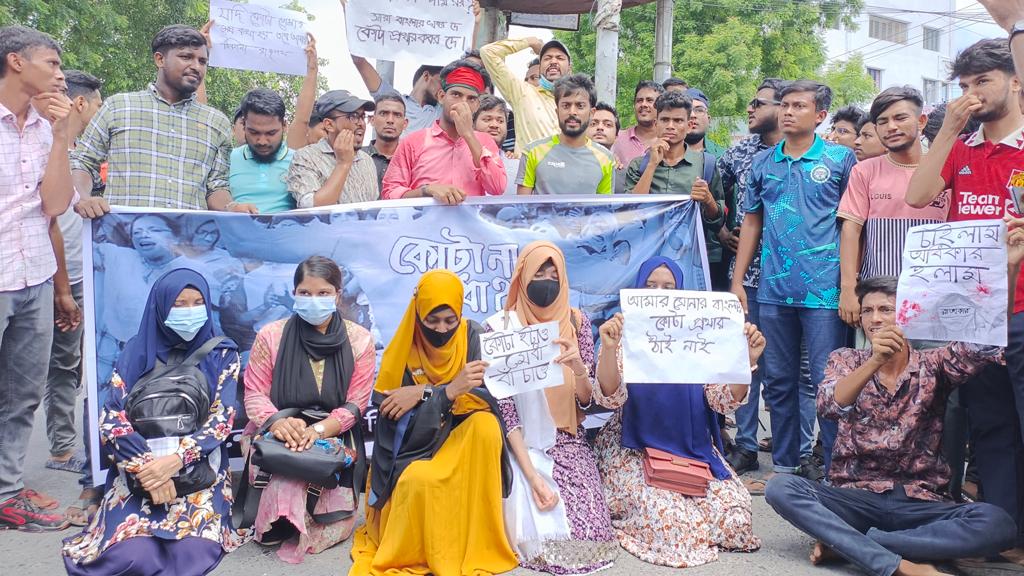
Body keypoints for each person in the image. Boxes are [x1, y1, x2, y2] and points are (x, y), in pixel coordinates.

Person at [765, 270, 1023, 576]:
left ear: (906, 315)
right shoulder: (845, 359)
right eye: (867, 311)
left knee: (998, 523)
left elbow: (987, 341)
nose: (875, 319)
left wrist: (1008, 269)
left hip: (920, 502)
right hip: (856, 497)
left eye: (886, 310)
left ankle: (860, 545)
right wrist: (875, 360)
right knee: (781, 487)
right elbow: (829, 405)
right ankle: (899, 563)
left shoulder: (933, 363)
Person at [906, 38, 1024, 553]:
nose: (973, 93)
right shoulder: (960, 145)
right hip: (972, 318)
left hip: (1022, 310)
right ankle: (1004, 529)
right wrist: (950, 128)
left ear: (1016, 80)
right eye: (965, 85)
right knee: (992, 425)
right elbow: (917, 195)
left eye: (984, 81)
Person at [62, 269, 249, 574]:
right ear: (161, 308)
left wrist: (174, 462)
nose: (190, 312)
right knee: (132, 556)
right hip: (140, 472)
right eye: (180, 304)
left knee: (193, 552)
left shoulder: (221, 353)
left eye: (197, 302)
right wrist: (149, 470)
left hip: (197, 472)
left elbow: (221, 421)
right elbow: (112, 418)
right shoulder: (135, 352)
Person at [591, 257, 764, 567]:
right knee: (676, 529)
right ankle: (683, 519)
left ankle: (694, 516)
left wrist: (745, 361)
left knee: (736, 524)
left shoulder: (700, 336)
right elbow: (609, 398)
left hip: (692, 449)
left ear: (681, 292)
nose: (659, 294)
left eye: (668, 287)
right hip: (637, 450)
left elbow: (723, 400)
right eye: (651, 286)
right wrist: (608, 349)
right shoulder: (625, 333)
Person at [349, 270, 518, 576]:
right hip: (415, 449)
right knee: (418, 481)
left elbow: (490, 400)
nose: (441, 329)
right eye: (432, 321)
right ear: (419, 315)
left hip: (462, 442)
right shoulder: (404, 351)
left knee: (486, 426)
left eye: (449, 321)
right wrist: (447, 392)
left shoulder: (473, 336)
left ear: (460, 315)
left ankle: (476, 540)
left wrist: (428, 393)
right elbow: (394, 422)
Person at [731, 80, 857, 478]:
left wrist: (850, 286)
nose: (787, 112)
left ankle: (835, 468)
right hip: (772, 290)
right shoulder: (763, 162)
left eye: (799, 106)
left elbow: (854, 225)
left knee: (829, 383)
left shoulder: (840, 160)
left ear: (820, 116)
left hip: (825, 292)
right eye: (784, 105)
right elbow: (752, 221)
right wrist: (737, 282)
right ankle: (785, 467)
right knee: (780, 382)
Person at [484, 241, 618, 574]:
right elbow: (506, 412)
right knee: (535, 531)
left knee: (592, 537)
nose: (546, 279)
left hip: (568, 440)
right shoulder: (500, 330)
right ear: (522, 276)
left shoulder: (576, 322)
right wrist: (532, 476)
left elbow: (585, 403)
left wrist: (577, 369)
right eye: (538, 272)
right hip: (518, 445)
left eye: (553, 272)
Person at [241, 256, 375, 563]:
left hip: (331, 432)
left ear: (338, 295)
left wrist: (316, 431)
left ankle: (299, 516)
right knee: (286, 481)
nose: (314, 300)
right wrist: (277, 423)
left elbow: (355, 404)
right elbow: (254, 395)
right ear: (293, 293)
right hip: (279, 430)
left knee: (316, 487)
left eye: (323, 293)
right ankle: (282, 516)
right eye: (305, 293)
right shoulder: (271, 336)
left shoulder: (359, 340)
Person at [0, 24, 75, 531]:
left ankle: (6, 491)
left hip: (35, 277)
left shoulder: (48, 126)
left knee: (23, 393)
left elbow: (52, 206)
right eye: (51, 62)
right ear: (16, 62)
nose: (59, 73)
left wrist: (64, 135)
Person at [72, 25, 253, 217]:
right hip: (125, 240)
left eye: (202, 61)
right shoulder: (118, 107)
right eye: (186, 57)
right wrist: (83, 197)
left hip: (188, 241)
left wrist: (231, 207)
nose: (196, 66)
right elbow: (83, 162)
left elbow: (216, 186)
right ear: (160, 59)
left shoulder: (216, 123)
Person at [717, 78, 788, 477]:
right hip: (744, 276)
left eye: (757, 103)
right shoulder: (738, 153)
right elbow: (720, 193)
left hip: (789, 277)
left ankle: (789, 453)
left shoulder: (807, 154)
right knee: (743, 361)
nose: (749, 108)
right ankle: (744, 444)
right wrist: (722, 228)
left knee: (782, 368)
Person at [837, 87, 949, 328]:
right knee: (877, 364)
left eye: (900, 118)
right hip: (878, 299)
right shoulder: (865, 171)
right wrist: (848, 289)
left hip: (934, 297)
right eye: (882, 121)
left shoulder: (945, 168)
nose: (891, 127)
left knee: (932, 364)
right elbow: (851, 230)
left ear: (921, 121)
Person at [624, 91, 725, 272]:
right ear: (656, 124)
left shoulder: (706, 164)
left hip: (691, 259)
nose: (671, 126)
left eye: (678, 121)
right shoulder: (640, 164)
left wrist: (708, 199)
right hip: (645, 256)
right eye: (665, 120)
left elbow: (717, 221)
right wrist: (652, 165)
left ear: (688, 125)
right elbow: (631, 211)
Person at [382, 60, 505, 203]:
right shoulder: (413, 142)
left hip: (469, 225)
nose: (462, 103)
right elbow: (389, 193)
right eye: (456, 94)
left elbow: (497, 188)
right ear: (441, 96)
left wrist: (469, 135)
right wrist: (427, 190)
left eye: (471, 98)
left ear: (477, 105)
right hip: (423, 225)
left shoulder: (485, 142)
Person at [517, 74, 614, 196]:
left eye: (580, 106)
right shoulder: (532, 152)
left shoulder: (606, 159)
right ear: (557, 111)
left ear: (592, 112)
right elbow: (522, 209)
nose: (572, 112)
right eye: (566, 105)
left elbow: (604, 211)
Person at [288, 90, 379, 207]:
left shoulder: (367, 160)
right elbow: (311, 207)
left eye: (362, 116)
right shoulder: (305, 157)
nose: (361, 123)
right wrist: (343, 164)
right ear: (329, 125)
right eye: (353, 117)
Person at [481, 37, 571, 152]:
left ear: (570, 68)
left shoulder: (579, 102)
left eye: (560, 58)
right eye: (547, 58)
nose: (553, 62)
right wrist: (530, 42)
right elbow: (487, 52)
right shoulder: (522, 92)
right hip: (528, 169)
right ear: (540, 69)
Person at [229, 89, 296, 214]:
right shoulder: (228, 159)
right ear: (243, 125)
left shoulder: (299, 161)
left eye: (271, 133)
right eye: (254, 132)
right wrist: (232, 208)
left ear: (284, 126)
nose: (262, 141)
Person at [350, 53, 441, 136]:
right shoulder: (393, 100)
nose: (443, 89)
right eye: (441, 82)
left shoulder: (441, 110)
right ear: (426, 76)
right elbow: (359, 62)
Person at [612, 80, 665, 168]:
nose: (643, 104)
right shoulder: (617, 139)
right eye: (639, 100)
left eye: (649, 100)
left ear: (661, 106)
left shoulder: (667, 141)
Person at [473, 95, 517, 195]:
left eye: (500, 121)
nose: (494, 125)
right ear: (472, 124)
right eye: (487, 119)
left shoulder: (516, 166)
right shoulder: (458, 159)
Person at [365, 93, 407, 191]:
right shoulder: (355, 157)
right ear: (372, 120)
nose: (390, 120)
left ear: (405, 123)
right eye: (383, 113)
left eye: (397, 115)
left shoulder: (412, 161)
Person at [685, 88, 726, 157]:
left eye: (699, 110)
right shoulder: (663, 154)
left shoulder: (723, 156)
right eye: (687, 110)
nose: (692, 115)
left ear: (709, 120)